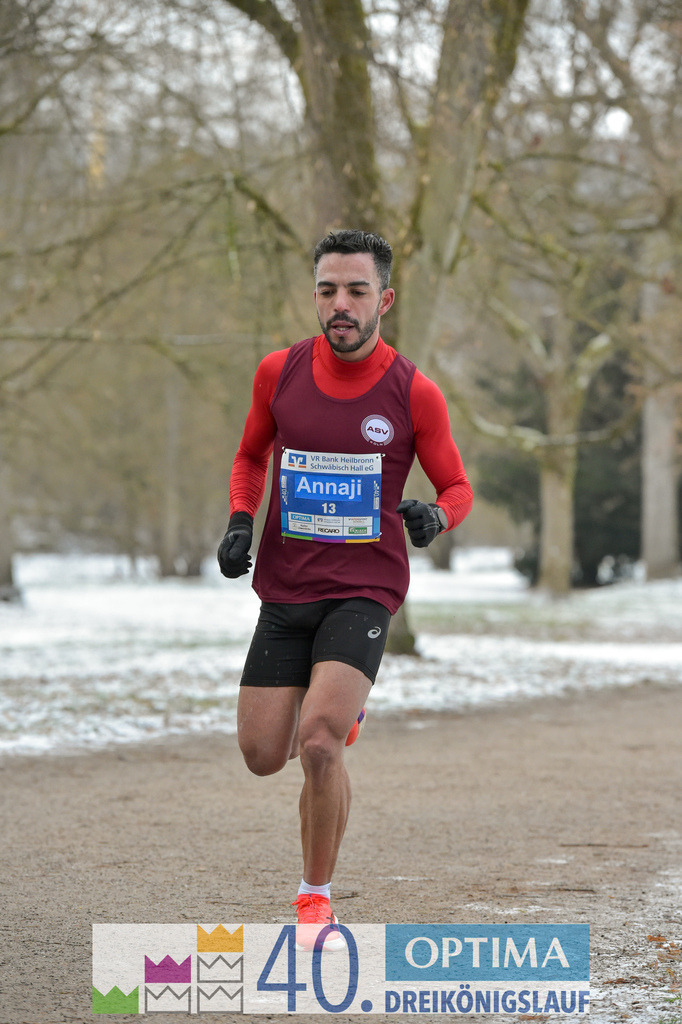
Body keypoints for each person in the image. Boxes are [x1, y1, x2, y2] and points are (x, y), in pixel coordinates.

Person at [217, 229, 472, 949]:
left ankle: (314, 900)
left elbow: (456, 485)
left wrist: (437, 514)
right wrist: (241, 520)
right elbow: (249, 454)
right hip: (287, 587)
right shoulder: (280, 372)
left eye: (356, 290)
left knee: (320, 743)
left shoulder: (412, 391)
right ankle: (342, 711)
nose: (340, 304)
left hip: (365, 588)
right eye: (328, 289)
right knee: (266, 754)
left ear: (383, 299)